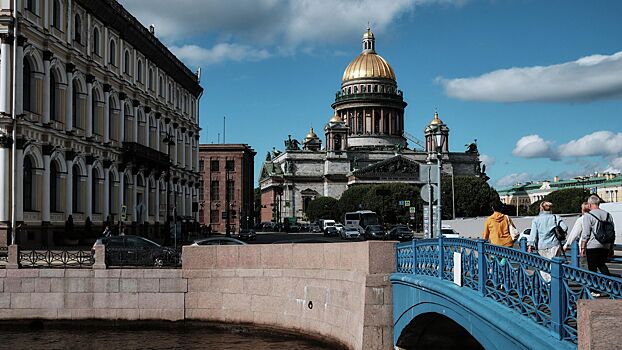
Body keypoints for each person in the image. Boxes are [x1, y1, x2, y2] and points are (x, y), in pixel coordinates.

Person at [528, 201, 568, 282]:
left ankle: (547, 283)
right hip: (555, 245)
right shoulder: (556, 218)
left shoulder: (536, 220)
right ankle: (553, 283)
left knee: (544, 266)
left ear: (541, 208)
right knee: (553, 265)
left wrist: (530, 246)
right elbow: (565, 228)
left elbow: (533, 234)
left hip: (541, 246)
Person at [581, 195, 613, 276]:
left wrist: (582, 248)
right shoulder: (608, 215)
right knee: (601, 264)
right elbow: (612, 232)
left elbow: (586, 234)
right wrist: (611, 247)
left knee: (592, 268)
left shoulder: (588, 216)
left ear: (590, 204)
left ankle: (593, 287)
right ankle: (608, 283)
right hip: (605, 245)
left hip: (592, 245)